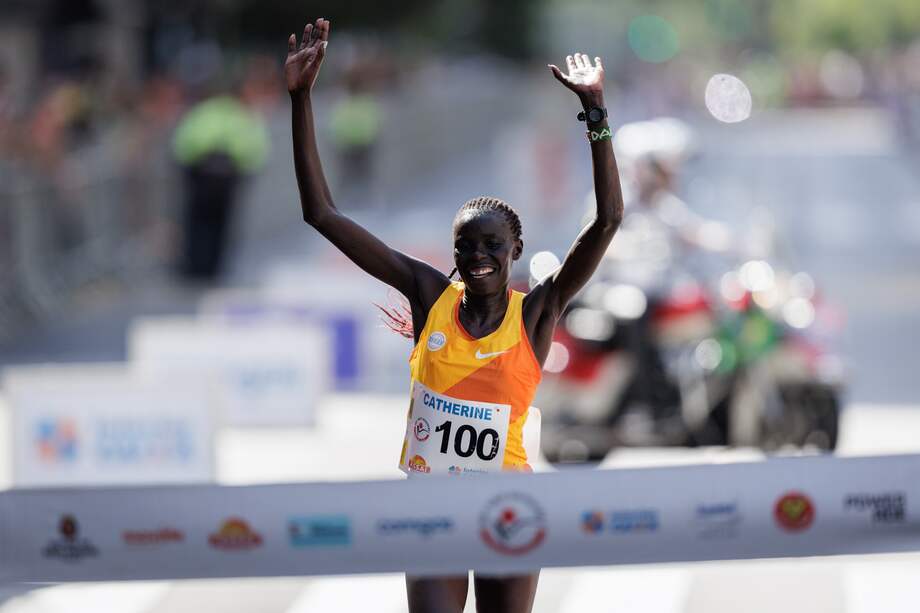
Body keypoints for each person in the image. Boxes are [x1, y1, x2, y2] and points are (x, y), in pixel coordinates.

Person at [286, 17, 623, 613]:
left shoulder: (538, 312)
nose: (478, 257)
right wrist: (301, 98)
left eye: (492, 246)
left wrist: (595, 113)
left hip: (507, 506)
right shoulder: (428, 295)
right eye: (466, 246)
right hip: (431, 508)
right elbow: (322, 213)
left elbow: (606, 223)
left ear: (515, 252)